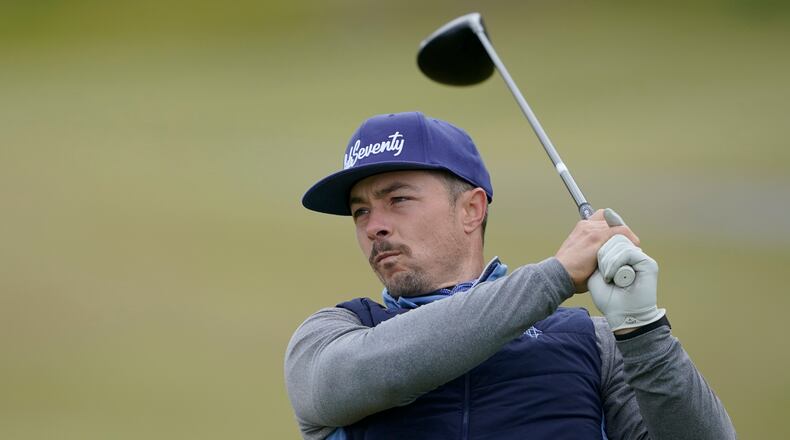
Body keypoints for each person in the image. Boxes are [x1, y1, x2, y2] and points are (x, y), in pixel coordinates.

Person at [285, 111, 735, 439]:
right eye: (360, 210)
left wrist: (644, 332)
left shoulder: (593, 345)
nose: (373, 225)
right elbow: (378, 374)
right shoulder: (336, 335)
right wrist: (555, 276)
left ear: (471, 209)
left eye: (398, 199)